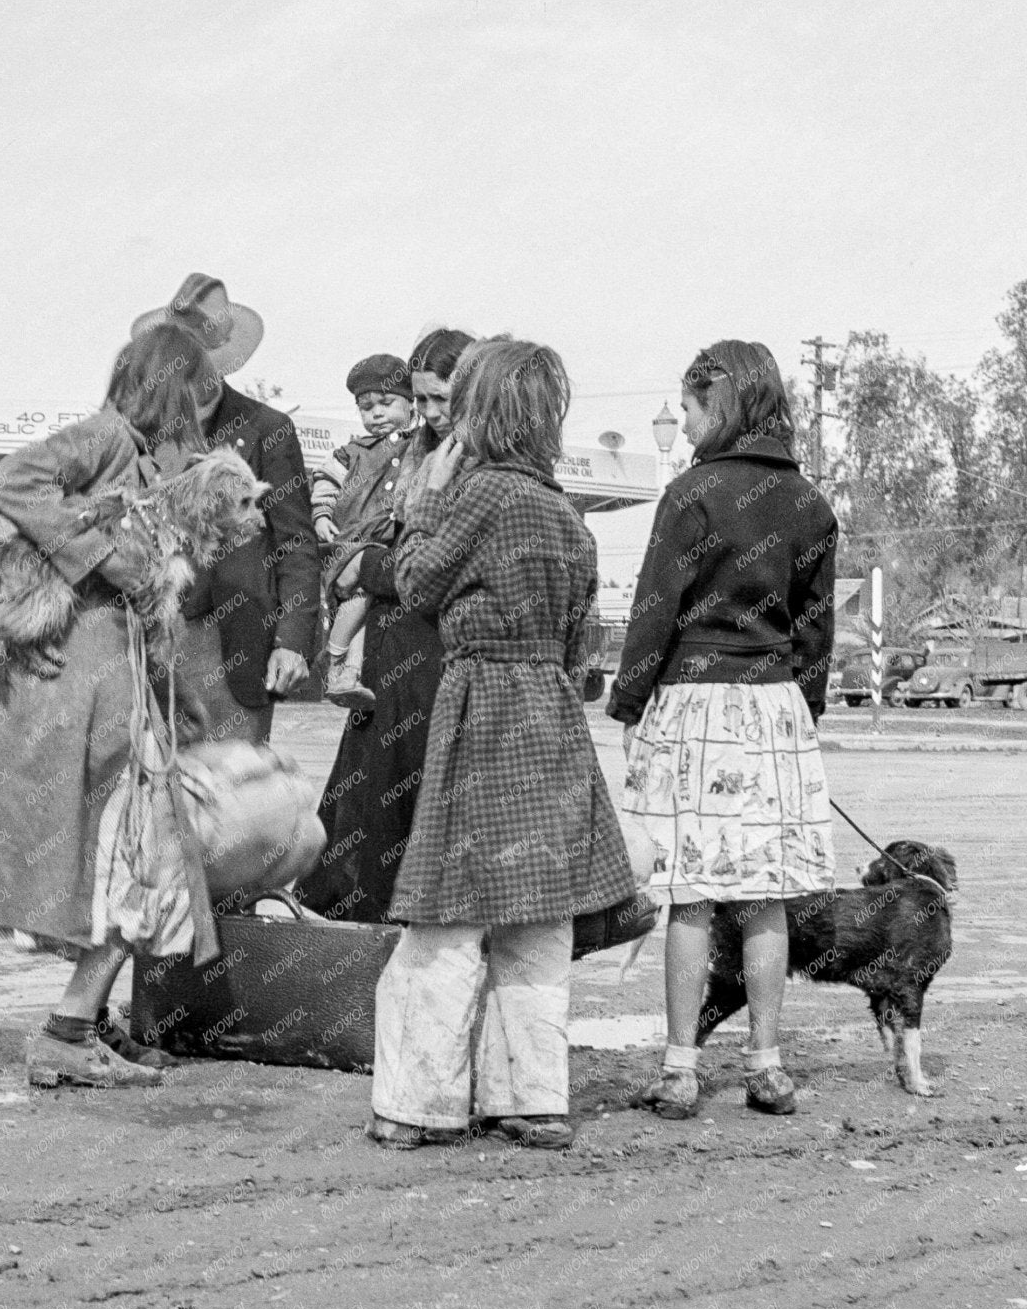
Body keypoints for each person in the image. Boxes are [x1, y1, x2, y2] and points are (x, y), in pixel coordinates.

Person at [367, 335, 635, 1154]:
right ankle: (534, 1099)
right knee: (537, 920)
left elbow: (413, 582)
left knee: (447, 917)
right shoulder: (563, 509)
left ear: (478, 412)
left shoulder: (476, 495)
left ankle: (418, 1105)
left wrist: (421, 500)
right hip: (551, 713)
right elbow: (581, 642)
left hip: (481, 701)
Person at [0, 323, 217, 1090]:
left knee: (122, 853)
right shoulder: (105, 437)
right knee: (133, 853)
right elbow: (13, 481)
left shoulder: (137, 458)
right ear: (172, 392)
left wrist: (181, 696)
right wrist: (105, 555)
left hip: (114, 683)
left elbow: (145, 600)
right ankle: (68, 1032)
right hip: (80, 683)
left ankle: (91, 1021)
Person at [608, 340, 839, 1120]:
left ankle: (679, 1070)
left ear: (721, 404)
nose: (686, 422)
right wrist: (802, 706)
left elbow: (654, 610)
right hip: (773, 702)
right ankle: (768, 1068)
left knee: (692, 896)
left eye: (692, 406)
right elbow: (816, 628)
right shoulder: (809, 503)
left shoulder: (691, 493)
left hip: (695, 701)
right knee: (766, 897)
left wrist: (629, 702)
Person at [293, 326, 471, 923]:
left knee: (412, 797)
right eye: (420, 400)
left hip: (441, 650)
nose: (430, 413)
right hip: (394, 649)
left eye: (441, 399)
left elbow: (445, 564)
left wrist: (365, 566)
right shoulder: (410, 449)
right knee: (371, 798)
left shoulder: (483, 460)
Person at [131, 274, 319, 743]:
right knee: (163, 798)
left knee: (237, 799)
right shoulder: (143, 433)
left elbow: (296, 543)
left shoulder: (268, 428)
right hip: (152, 650)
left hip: (240, 646)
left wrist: (292, 642)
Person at [310, 353, 418, 709]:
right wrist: (322, 516)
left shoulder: (420, 446)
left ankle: (347, 674)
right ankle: (334, 657)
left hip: (386, 543)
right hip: (352, 540)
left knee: (368, 607)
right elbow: (324, 483)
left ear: (411, 402)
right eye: (367, 407)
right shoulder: (349, 453)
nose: (377, 414)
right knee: (357, 596)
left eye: (387, 403)